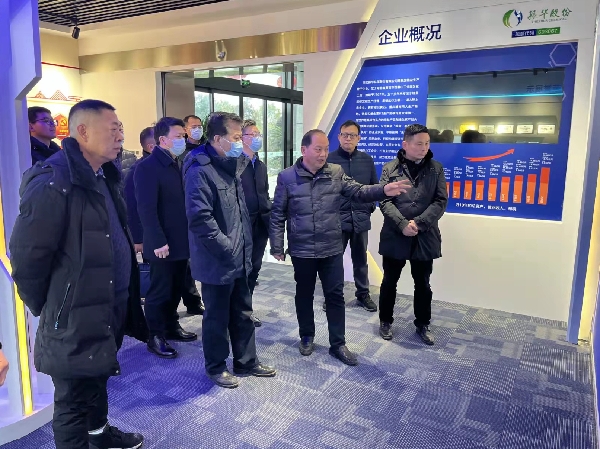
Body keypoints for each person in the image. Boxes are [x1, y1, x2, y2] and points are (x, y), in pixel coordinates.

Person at [10, 99, 147, 449]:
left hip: (108, 304)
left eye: (121, 129)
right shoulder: (53, 180)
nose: (120, 136)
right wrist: (54, 306)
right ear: (82, 131)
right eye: (112, 129)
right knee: (72, 400)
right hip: (72, 313)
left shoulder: (104, 175)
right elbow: (27, 258)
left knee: (98, 376)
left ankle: (99, 436)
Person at [269, 129, 411, 366]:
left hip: (331, 247)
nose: (323, 154)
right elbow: (277, 214)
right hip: (302, 249)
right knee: (304, 294)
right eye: (318, 149)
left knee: (335, 296)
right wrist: (276, 245)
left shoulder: (336, 172)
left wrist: (383, 190)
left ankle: (338, 343)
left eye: (326, 149)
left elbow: (358, 191)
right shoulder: (287, 177)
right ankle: (306, 335)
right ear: (304, 150)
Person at [184, 112, 276, 388]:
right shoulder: (200, 170)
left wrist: (242, 249)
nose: (241, 142)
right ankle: (215, 366)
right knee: (217, 317)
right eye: (236, 137)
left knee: (243, 311)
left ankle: (246, 361)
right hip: (218, 259)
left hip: (240, 255)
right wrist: (227, 249)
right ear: (217, 139)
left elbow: (238, 213)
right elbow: (200, 219)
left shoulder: (232, 165)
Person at [378, 124, 448, 346]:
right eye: (419, 144)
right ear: (405, 144)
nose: (424, 148)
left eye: (427, 143)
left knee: (423, 283)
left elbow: (440, 201)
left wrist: (418, 223)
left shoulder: (436, 168)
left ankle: (423, 323)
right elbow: (384, 200)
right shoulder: (390, 168)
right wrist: (402, 224)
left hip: (424, 234)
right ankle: (385, 321)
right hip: (395, 234)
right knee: (389, 281)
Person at [135, 117, 198, 359]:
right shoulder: (148, 167)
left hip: (180, 241)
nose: (183, 139)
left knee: (176, 287)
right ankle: (155, 334)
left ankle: (171, 325)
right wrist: (158, 240)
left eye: (183, 135)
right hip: (161, 243)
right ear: (162, 139)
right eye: (178, 136)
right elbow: (146, 209)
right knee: (160, 291)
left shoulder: (177, 163)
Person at [326, 120, 378, 312]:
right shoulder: (329, 160)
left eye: (352, 135)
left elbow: (373, 187)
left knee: (360, 260)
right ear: (339, 137)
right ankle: (333, 295)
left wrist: (369, 208)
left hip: (360, 219)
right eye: (345, 135)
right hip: (336, 220)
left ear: (358, 138)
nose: (348, 138)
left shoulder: (366, 160)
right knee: (333, 261)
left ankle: (363, 294)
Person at [240, 119, 272, 327]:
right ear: (242, 138)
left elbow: (264, 193)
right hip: (242, 225)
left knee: (254, 268)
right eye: (253, 134)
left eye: (259, 134)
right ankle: (238, 311)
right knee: (242, 270)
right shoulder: (235, 164)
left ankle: (246, 310)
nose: (257, 138)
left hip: (261, 223)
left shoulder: (260, 166)